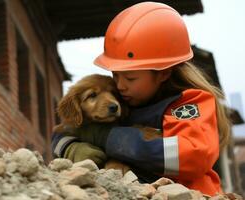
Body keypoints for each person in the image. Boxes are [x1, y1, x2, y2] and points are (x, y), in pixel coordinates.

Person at [51, 2, 231, 196]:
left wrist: (106, 136)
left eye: (130, 78)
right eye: (115, 75)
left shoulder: (190, 103)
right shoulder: (125, 100)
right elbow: (63, 130)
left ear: (163, 74)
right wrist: (71, 147)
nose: (120, 86)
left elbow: (191, 156)